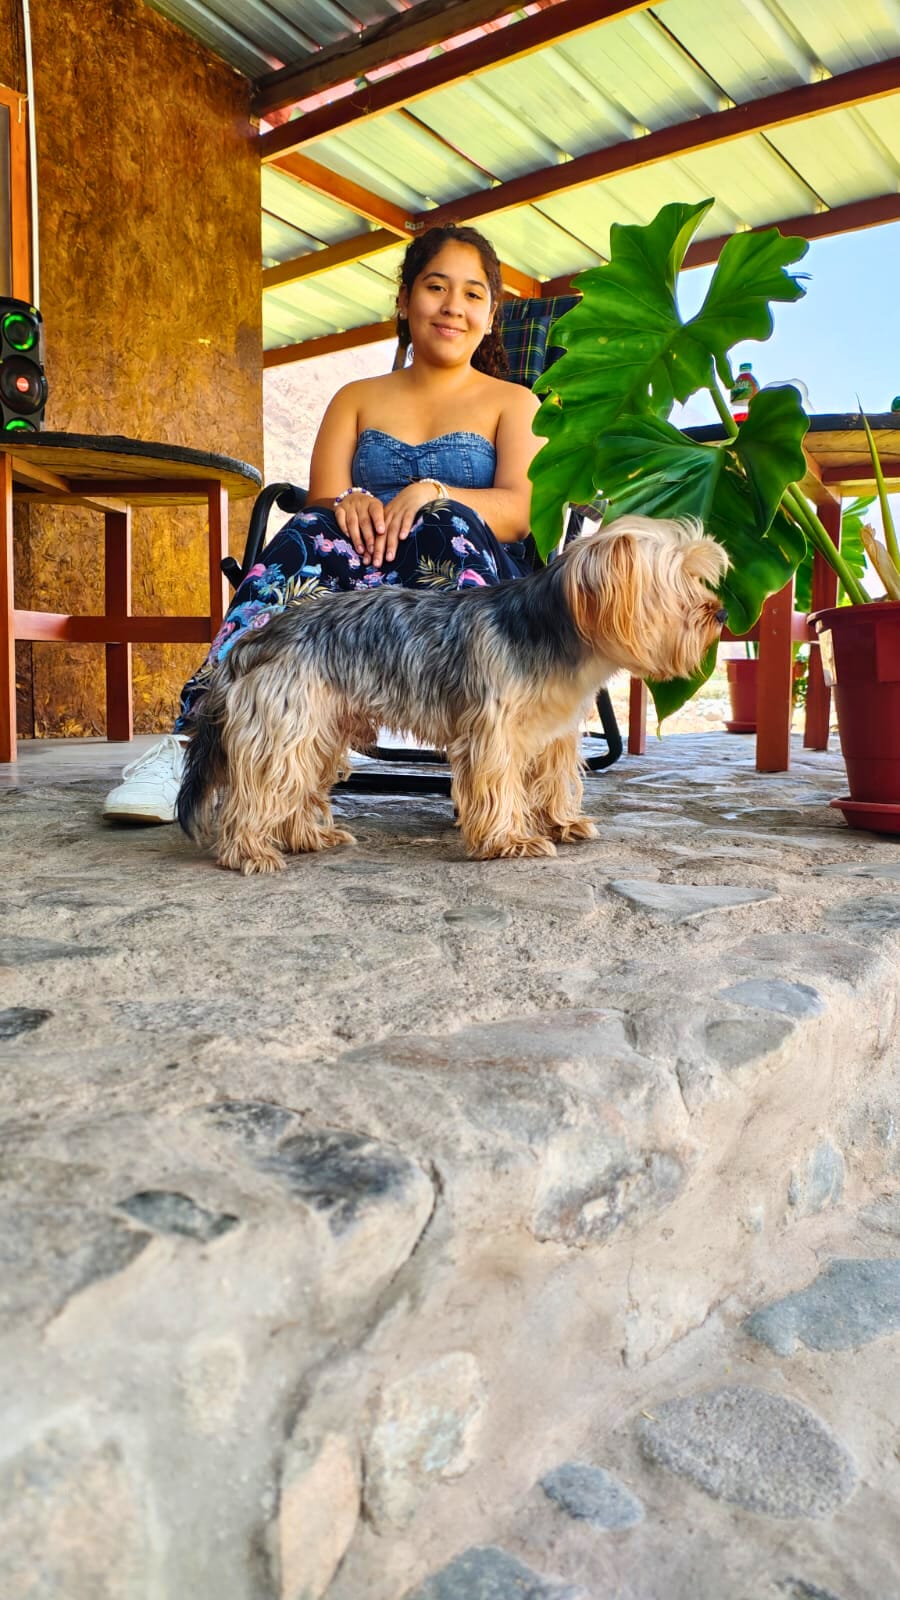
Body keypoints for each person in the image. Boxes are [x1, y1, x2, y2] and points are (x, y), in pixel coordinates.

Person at [103, 223, 541, 822]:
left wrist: (432, 492)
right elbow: (322, 497)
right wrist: (346, 502)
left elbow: (519, 513)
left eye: (472, 294)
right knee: (305, 534)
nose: (452, 307)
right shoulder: (356, 397)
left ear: (490, 316)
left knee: (447, 522)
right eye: (436, 287)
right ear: (405, 299)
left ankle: (483, 756)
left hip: (455, 577)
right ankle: (194, 742)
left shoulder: (513, 402)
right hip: (356, 563)